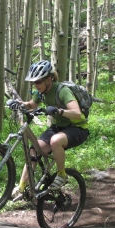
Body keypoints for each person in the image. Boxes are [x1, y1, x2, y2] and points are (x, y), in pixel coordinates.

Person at [14, 60, 89, 194]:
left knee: (55, 141)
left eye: (38, 82)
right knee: (34, 150)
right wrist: (19, 104)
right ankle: (22, 186)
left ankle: (62, 174)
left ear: (49, 79)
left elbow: (77, 114)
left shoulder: (62, 91)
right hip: (59, 127)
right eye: (33, 82)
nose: (35, 85)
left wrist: (59, 111)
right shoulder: (40, 92)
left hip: (78, 128)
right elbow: (31, 105)